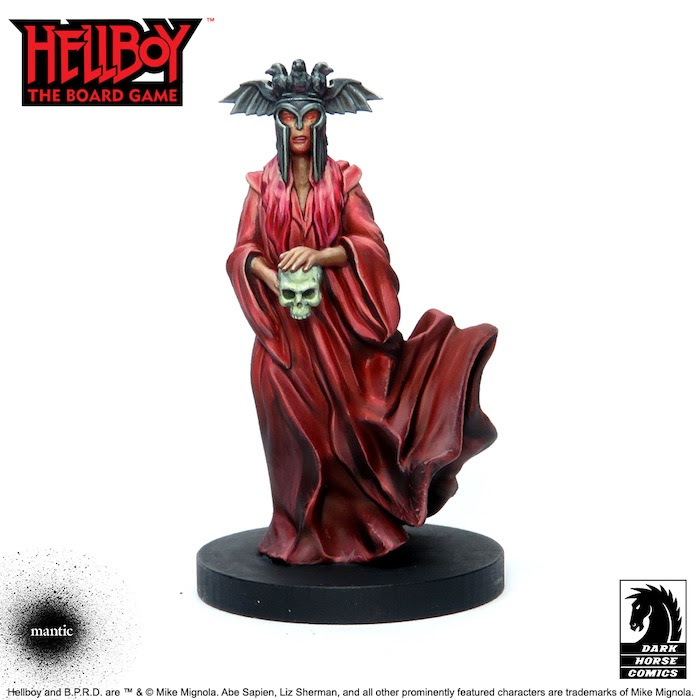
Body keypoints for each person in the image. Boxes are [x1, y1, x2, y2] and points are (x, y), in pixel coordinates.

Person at [224, 61, 497, 564]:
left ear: (323, 119)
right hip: (284, 335)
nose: (300, 128)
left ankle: (360, 529)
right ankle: (298, 533)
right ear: (276, 121)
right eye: (289, 118)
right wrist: (270, 274)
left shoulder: (344, 182)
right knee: (292, 433)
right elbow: (242, 251)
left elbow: (369, 244)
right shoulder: (261, 187)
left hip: (338, 333)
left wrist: (320, 256)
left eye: (310, 117)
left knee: (348, 430)